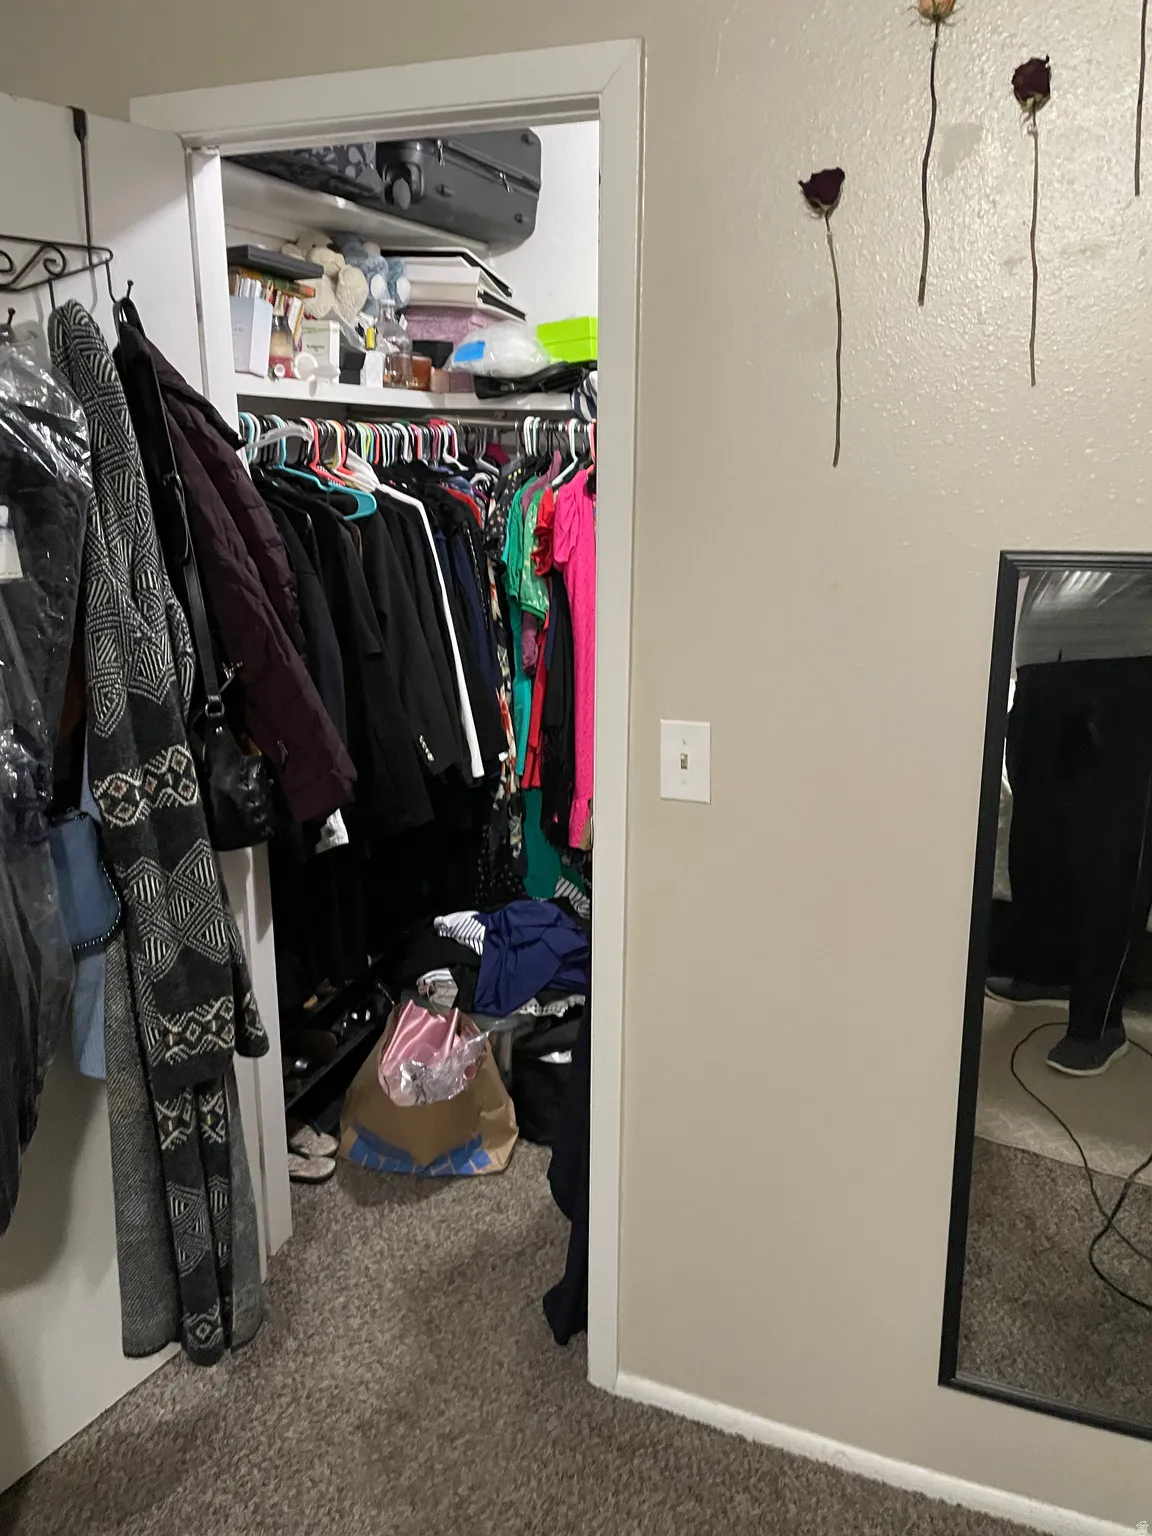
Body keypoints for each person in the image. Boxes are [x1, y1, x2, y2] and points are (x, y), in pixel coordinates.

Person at [986, 566, 1152, 1076]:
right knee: (1038, 841)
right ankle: (1045, 970)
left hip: (1127, 672)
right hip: (1039, 675)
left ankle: (1099, 1025)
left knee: (1110, 852)